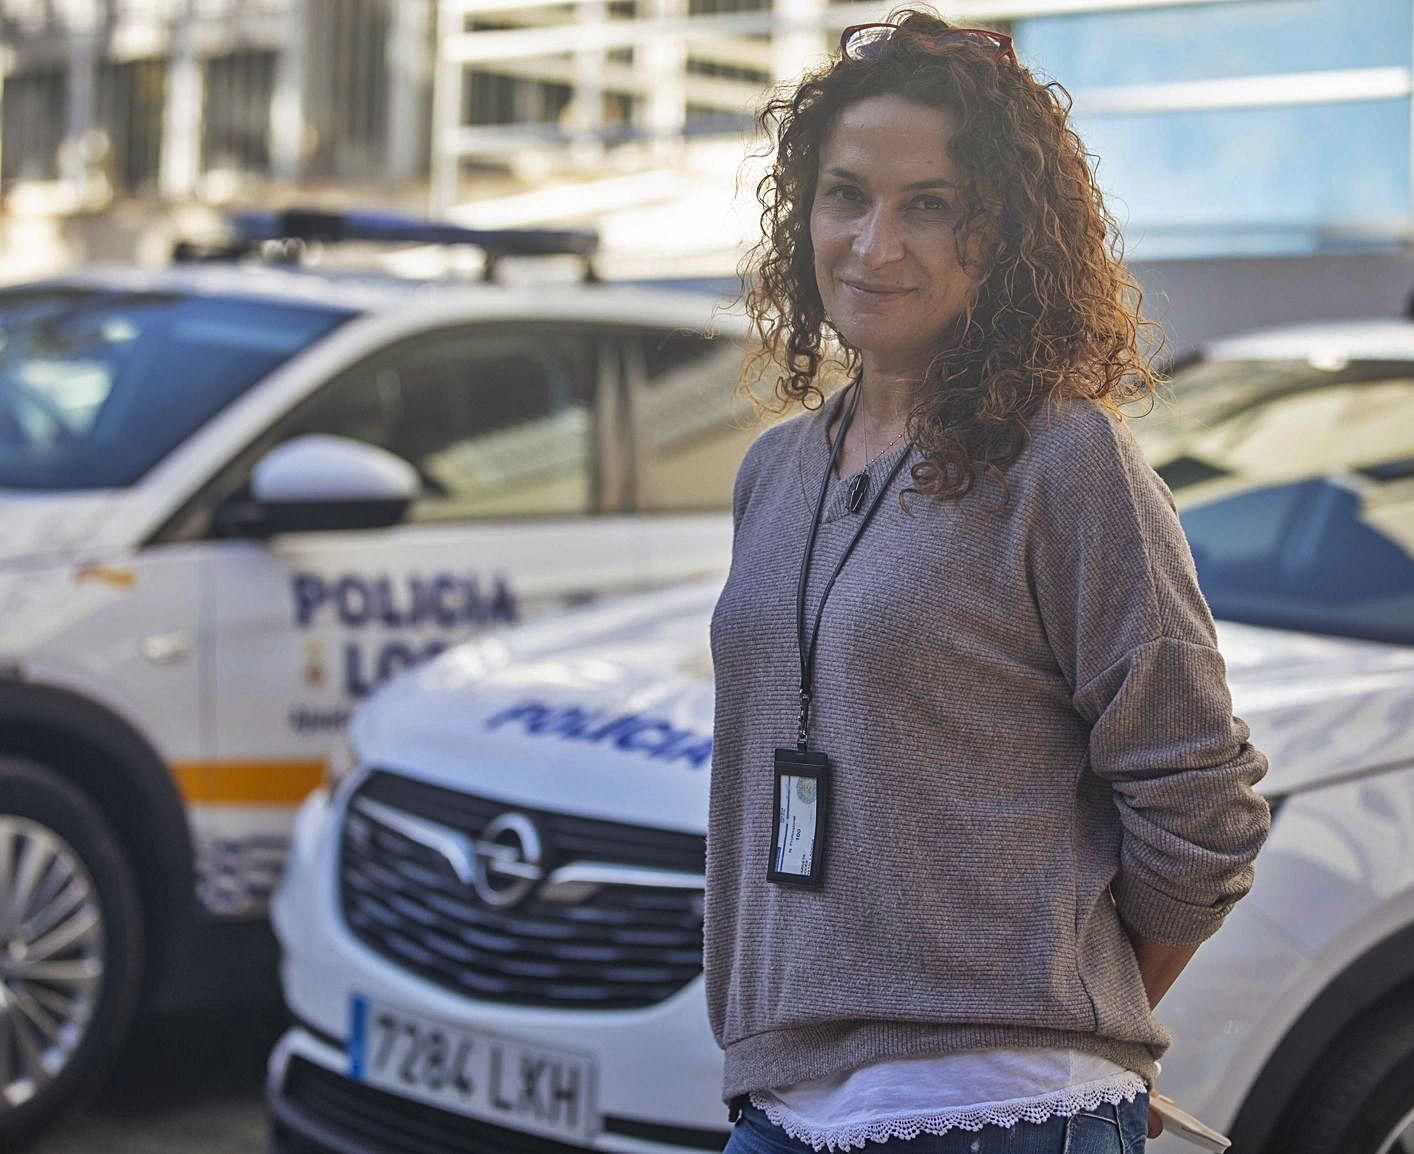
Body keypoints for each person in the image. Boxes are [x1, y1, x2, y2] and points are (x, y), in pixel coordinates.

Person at [704, 8, 1273, 1154]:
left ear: (1002, 236)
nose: (875, 244)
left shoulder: (1066, 458)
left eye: (930, 205)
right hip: (782, 1100)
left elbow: (1201, 807)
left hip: (997, 1107)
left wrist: (1062, 1017)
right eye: (846, 195)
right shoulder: (776, 470)